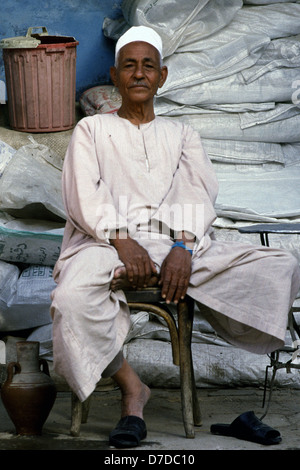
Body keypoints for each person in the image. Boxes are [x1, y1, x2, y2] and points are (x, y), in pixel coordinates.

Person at [50, 26, 300, 448]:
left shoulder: (182, 134)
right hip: (104, 244)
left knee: (279, 264)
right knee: (70, 299)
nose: (139, 74)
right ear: (114, 76)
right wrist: (121, 239)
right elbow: (83, 195)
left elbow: (195, 191)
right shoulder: (91, 131)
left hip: (171, 247)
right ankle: (133, 390)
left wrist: (182, 247)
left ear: (162, 76)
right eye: (129, 66)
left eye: (149, 66)